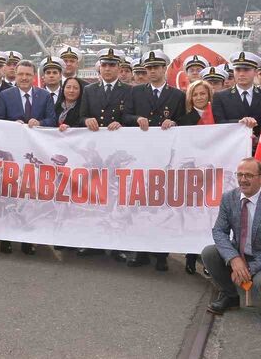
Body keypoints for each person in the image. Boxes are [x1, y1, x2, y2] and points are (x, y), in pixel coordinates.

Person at [202, 158, 261, 318]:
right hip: (239, 252)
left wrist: (249, 269)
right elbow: (219, 231)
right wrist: (234, 259)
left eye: (249, 175)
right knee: (209, 253)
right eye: (240, 175)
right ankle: (230, 296)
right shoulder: (229, 198)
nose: (243, 179)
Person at [123, 50, 184, 271]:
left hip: (166, 157)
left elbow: (184, 121)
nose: (152, 72)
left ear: (163, 69)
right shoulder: (135, 92)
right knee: (139, 202)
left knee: (161, 203)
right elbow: (125, 116)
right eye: (148, 68)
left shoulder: (177, 95)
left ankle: (161, 255)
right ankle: (139, 251)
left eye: (156, 67)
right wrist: (136, 119)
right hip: (141, 154)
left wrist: (174, 122)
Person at [77, 48, 133, 258]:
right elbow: (81, 117)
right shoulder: (90, 90)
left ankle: (117, 246)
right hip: (97, 151)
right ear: (99, 67)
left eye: (112, 65)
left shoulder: (128, 90)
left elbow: (129, 116)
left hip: (117, 151)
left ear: (119, 68)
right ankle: (93, 242)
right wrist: (86, 121)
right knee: (94, 196)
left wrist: (122, 121)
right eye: (105, 65)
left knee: (115, 196)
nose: (108, 69)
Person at [0, 60, 56, 255]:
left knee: (30, 196)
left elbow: (52, 120)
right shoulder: (5, 96)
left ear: (33, 77)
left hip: (34, 155)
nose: (23, 78)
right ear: (15, 74)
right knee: (9, 195)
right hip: (11, 154)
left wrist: (39, 122)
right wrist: (13, 125)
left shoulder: (45, 96)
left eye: (28, 75)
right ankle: (6, 239)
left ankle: (28, 241)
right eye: (20, 74)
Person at [178, 79, 216, 274]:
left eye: (203, 93)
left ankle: (210, 259)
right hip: (192, 175)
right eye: (195, 94)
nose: (199, 97)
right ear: (190, 98)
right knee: (192, 214)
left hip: (213, 173)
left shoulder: (218, 116)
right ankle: (190, 256)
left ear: (209, 95)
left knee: (210, 215)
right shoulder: (184, 119)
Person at [211, 52, 261, 140]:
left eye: (246, 70)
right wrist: (239, 122)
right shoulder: (220, 97)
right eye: (238, 70)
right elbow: (219, 123)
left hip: (259, 148)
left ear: (256, 72)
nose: (241, 74)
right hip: (232, 146)